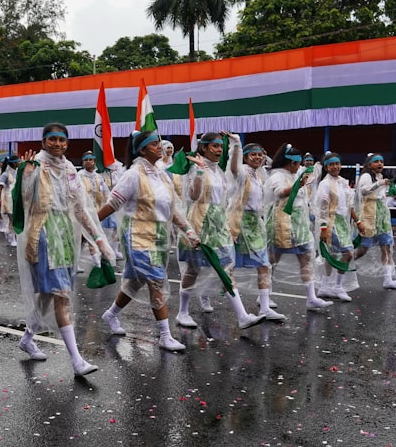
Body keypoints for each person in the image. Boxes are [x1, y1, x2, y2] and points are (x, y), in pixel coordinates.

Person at [13, 123, 114, 376]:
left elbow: (81, 208)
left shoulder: (70, 168)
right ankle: (77, 361)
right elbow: (23, 203)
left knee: (49, 295)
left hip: (67, 236)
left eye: (62, 140)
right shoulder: (35, 165)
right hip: (43, 234)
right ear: (44, 141)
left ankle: (27, 338)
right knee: (61, 294)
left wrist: (98, 239)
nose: (58, 144)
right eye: (53, 139)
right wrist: (24, 177)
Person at [97, 129, 201, 352]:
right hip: (138, 236)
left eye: (160, 143)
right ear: (142, 149)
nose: (159, 147)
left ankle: (111, 314)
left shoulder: (161, 173)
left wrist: (188, 230)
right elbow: (113, 204)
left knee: (136, 281)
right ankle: (165, 335)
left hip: (159, 236)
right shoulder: (133, 174)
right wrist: (89, 226)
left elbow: (172, 208)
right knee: (156, 281)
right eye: (154, 144)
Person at [176, 131, 262, 329]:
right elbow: (193, 195)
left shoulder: (218, 171)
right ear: (204, 147)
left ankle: (242, 316)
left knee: (226, 268)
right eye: (214, 146)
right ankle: (182, 312)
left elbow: (234, 169)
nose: (218, 150)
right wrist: (198, 171)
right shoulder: (195, 167)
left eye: (220, 147)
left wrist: (237, 144)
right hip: (200, 222)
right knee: (193, 269)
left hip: (218, 224)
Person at [264, 144, 332, 311]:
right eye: (296, 163)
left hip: (300, 224)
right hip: (282, 224)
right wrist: (298, 184)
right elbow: (280, 193)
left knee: (306, 258)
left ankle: (311, 298)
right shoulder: (276, 176)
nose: (299, 166)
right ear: (289, 163)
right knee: (272, 261)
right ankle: (264, 297)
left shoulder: (297, 174)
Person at [232, 142, 285, 320]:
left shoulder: (259, 174)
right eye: (252, 155)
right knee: (226, 267)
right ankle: (203, 298)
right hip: (238, 224)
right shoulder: (241, 173)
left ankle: (264, 307)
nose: (257, 157)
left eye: (259, 155)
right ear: (245, 157)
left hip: (255, 224)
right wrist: (237, 146)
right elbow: (233, 167)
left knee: (264, 265)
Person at [353, 152, 396, 289]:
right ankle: (343, 266)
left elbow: (379, 194)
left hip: (381, 215)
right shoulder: (366, 176)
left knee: (387, 247)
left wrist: (388, 190)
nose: (380, 164)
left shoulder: (379, 176)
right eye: (376, 161)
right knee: (363, 248)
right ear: (369, 164)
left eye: (381, 161)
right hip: (370, 215)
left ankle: (388, 279)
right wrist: (380, 183)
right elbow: (364, 191)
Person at [315, 152, 361, 301]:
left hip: (343, 223)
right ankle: (338, 287)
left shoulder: (343, 182)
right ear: (326, 167)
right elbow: (322, 207)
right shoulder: (325, 184)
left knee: (333, 255)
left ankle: (324, 287)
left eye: (337, 164)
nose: (335, 167)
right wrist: (323, 228)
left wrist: (358, 222)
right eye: (331, 164)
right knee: (348, 253)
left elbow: (349, 206)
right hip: (331, 223)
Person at [0, 156, 19, 247]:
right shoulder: (5, 174)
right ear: (14, 163)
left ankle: (11, 236)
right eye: (18, 161)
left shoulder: (18, 173)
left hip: (16, 198)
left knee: (15, 219)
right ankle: (12, 238)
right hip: (8, 199)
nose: (20, 163)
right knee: (11, 219)